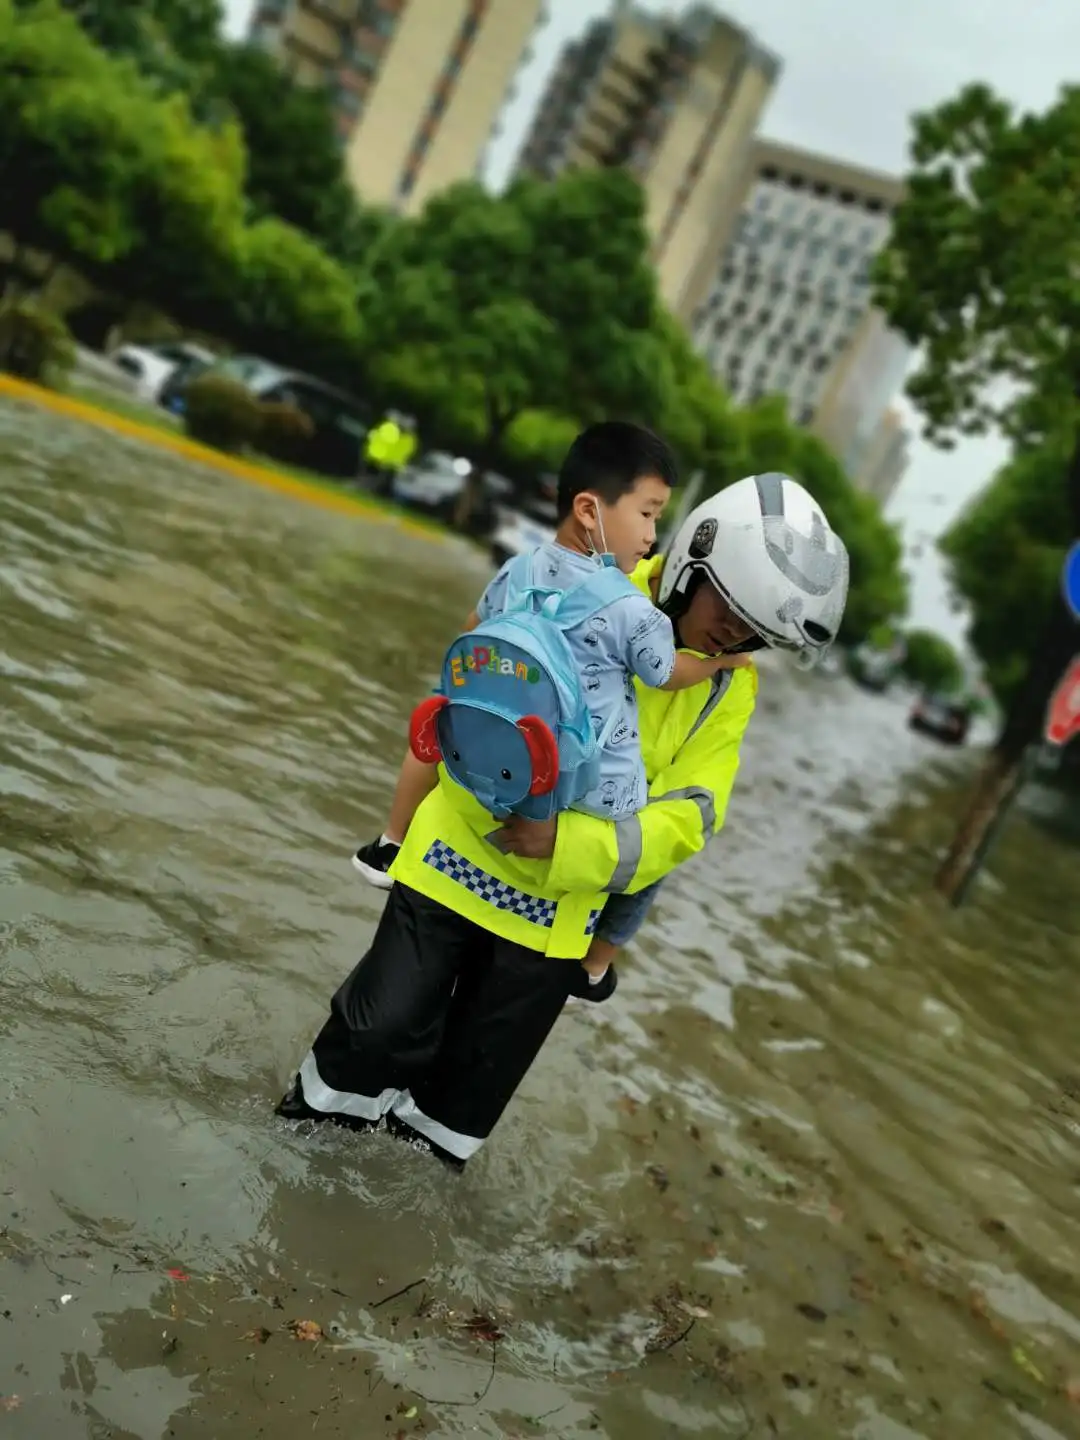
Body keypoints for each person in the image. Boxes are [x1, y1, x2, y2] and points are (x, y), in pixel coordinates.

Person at [276, 459, 849, 1168]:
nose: (732, 641)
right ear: (690, 568)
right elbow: (469, 688)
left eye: (754, 636)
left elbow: (693, 814)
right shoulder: (583, 580)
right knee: (370, 1039)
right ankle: (288, 1156)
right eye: (728, 615)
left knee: (456, 1112)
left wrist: (564, 841)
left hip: (557, 920)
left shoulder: (727, 690)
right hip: (453, 863)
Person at [355, 422, 750, 989]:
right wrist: (718, 666)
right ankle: (596, 966)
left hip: (489, 755)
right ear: (590, 510)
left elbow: (471, 632)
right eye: (648, 514)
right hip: (574, 801)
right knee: (652, 849)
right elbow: (666, 674)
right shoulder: (633, 611)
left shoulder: (521, 566)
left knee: (439, 717)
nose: (653, 535)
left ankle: (388, 845)